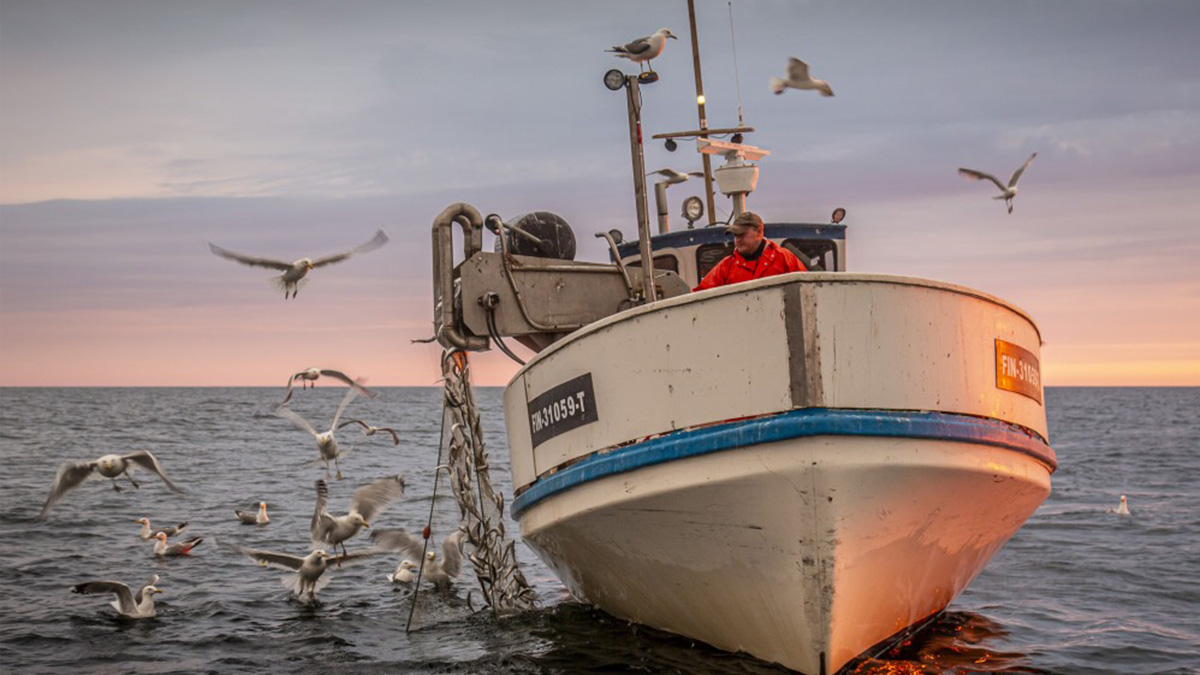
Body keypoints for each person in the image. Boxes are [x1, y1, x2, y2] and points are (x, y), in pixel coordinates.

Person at [693, 211, 806, 291]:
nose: (738, 239)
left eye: (742, 234)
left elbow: (807, 287)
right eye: (735, 235)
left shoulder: (783, 258)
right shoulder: (726, 267)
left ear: (759, 231)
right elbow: (699, 296)